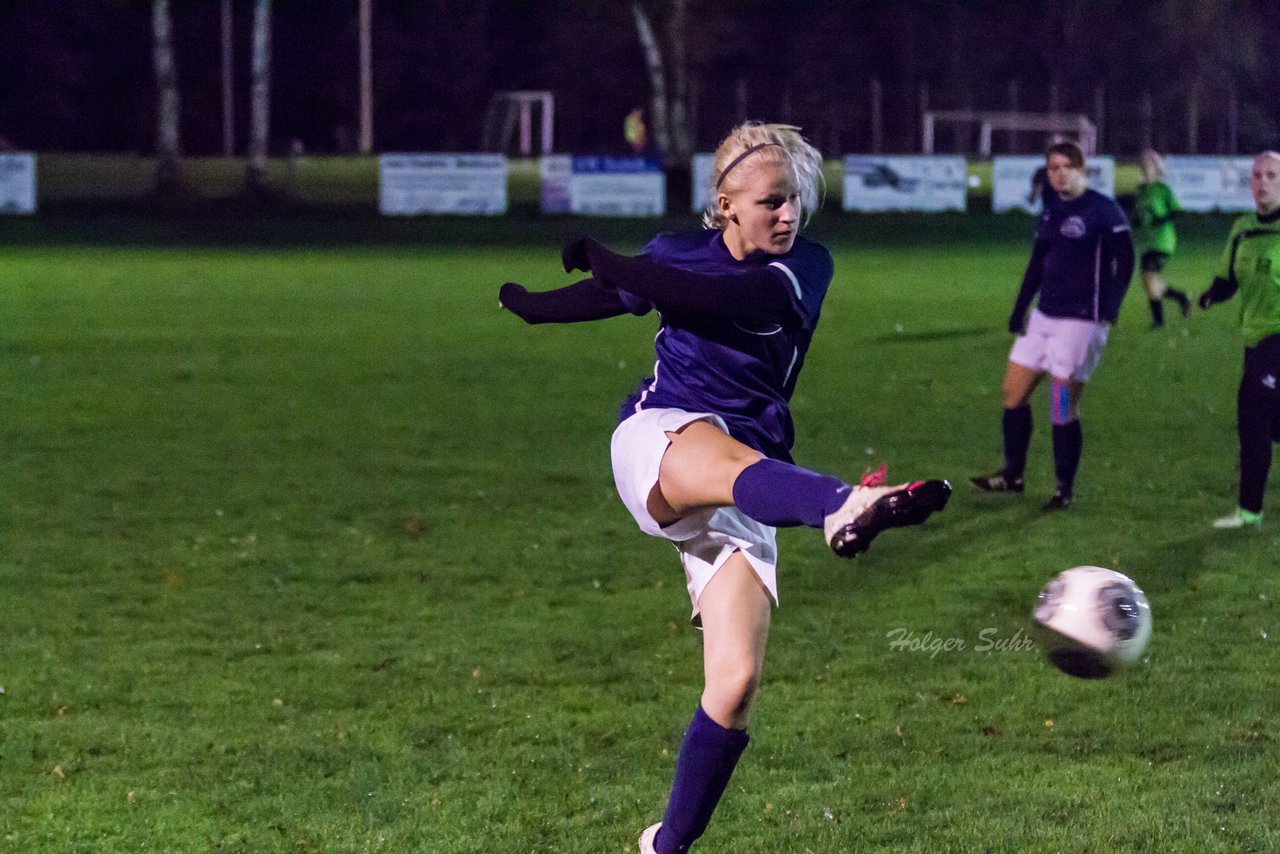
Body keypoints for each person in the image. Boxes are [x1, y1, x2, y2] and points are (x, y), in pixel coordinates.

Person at [498, 122, 951, 853]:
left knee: (735, 683)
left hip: (749, 479)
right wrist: (531, 304)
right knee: (719, 457)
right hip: (662, 439)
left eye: (796, 200)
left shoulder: (803, 267)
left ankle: (664, 845)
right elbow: (622, 297)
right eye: (772, 201)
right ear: (726, 204)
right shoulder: (677, 252)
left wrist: (611, 260)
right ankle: (842, 502)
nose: (788, 215)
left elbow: (724, 303)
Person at [972, 140, 1135, 511]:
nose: (1059, 175)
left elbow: (1125, 263)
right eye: (1052, 168)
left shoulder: (1103, 211)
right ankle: (1013, 474)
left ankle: (1064, 489)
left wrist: (1109, 308)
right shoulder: (1051, 210)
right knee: (1013, 394)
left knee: (1061, 404)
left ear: (1081, 170)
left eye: (1065, 167)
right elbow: (1037, 263)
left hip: (1081, 321)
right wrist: (1019, 307)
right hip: (1044, 315)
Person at [1198, 150, 1280, 529]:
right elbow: (1229, 278)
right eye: (1257, 176)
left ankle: (1249, 511)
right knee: (1269, 423)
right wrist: (1213, 294)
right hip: (1253, 336)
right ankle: (1250, 510)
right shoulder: (1242, 228)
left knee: (1251, 409)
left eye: (1272, 176)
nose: (1262, 183)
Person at [1133, 149, 1191, 329]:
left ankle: (1158, 322)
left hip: (1163, 241)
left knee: (1150, 278)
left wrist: (1161, 219)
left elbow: (1176, 211)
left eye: (1150, 164)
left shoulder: (1162, 189)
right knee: (1148, 281)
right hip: (1148, 241)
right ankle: (1181, 297)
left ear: (1156, 167)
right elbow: (1140, 215)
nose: (1146, 167)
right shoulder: (1141, 191)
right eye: (1143, 164)